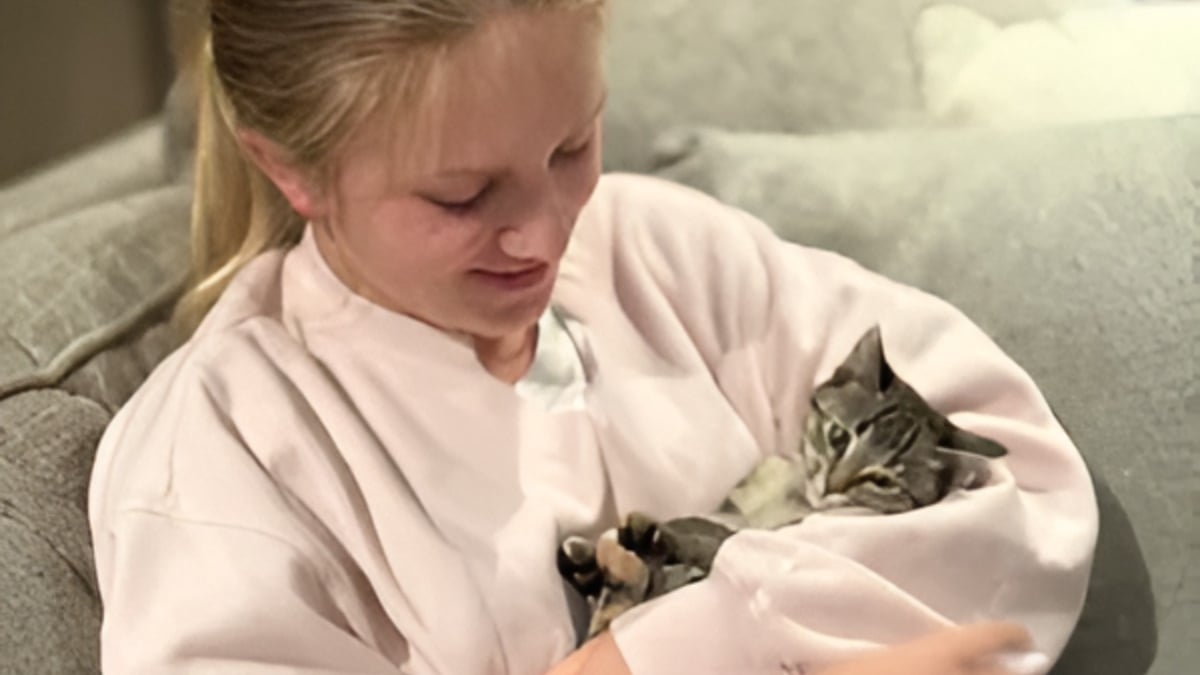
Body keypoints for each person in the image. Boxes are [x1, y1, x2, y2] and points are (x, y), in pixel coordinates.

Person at [87, 1, 1098, 673]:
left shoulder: (665, 253)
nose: (545, 234)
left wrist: (706, 635)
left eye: (572, 145)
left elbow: (1006, 472)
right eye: (463, 194)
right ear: (290, 169)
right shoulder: (227, 455)